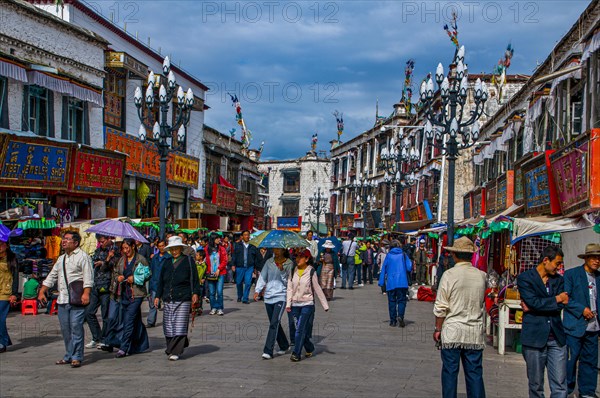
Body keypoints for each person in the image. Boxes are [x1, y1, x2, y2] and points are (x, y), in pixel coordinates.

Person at [433, 237, 486, 398]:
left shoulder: (449, 275)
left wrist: (438, 329)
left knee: (450, 372)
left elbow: (441, 307)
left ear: (455, 255)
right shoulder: (481, 276)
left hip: (452, 331)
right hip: (473, 332)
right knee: (474, 374)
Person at [518, 245, 568, 398]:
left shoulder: (558, 280)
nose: (559, 268)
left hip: (556, 338)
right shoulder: (525, 278)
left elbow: (560, 303)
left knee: (560, 385)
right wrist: (556, 299)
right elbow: (533, 302)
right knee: (536, 384)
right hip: (534, 338)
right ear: (546, 260)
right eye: (557, 263)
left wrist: (536, 306)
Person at [38, 231, 94, 368]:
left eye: (68, 239)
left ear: (75, 243)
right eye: (64, 239)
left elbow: (88, 278)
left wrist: (86, 294)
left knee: (76, 327)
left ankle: (77, 356)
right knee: (66, 329)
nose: (64, 241)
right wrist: (42, 290)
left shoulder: (83, 257)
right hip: (62, 299)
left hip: (77, 299)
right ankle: (69, 354)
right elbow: (52, 276)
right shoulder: (62, 258)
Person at [155, 236, 202, 361]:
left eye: (176, 249)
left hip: (183, 297)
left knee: (180, 324)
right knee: (168, 325)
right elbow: (161, 281)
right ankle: (171, 347)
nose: (174, 251)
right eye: (172, 249)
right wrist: (157, 296)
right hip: (168, 297)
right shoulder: (166, 262)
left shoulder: (188, 261)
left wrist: (195, 293)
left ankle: (176, 350)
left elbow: (194, 278)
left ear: (181, 248)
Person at [563, 243, 600, 398]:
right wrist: (582, 309)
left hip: (594, 328)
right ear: (586, 258)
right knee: (570, 361)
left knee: (590, 362)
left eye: (599, 258)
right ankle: (566, 390)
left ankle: (587, 392)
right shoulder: (572, 275)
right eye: (593, 257)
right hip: (575, 327)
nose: (596, 261)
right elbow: (565, 299)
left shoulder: (599, 278)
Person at [286, 249, 329, 362]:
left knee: (300, 329)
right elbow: (289, 288)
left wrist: (325, 305)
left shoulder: (311, 271)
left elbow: (317, 288)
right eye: (296, 257)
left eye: (301, 257)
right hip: (295, 304)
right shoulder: (292, 270)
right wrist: (288, 303)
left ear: (307, 259)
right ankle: (309, 347)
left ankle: (296, 353)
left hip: (307, 304)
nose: (298, 259)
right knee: (298, 329)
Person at [111, 238, 150, 358]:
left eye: (127, 248)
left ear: (133, 246)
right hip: (124, 293)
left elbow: (147, 274)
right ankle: (140, 345)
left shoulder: (140, 259)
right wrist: (118, 278)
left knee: (128, 320)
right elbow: (115, 273)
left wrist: (135, 278)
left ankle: (124, 347)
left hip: (136, 294)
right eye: (123, 248)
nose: (125, 250)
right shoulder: (121, 260)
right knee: (135, 321)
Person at [254, 247, 294, 359]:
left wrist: (282, 271)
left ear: (283, 250)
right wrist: (257, 290)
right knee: (274, 322)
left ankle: (268, 350)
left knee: (274, 323)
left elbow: (289, 282)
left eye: (278, 249)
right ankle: (284, 345)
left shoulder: (289, 263)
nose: (276, 251)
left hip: (281, 296)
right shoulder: (269, 262)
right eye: (275, 249)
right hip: (268, 296)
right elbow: (263, 276)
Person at [85, 234, 118, 349]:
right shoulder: (97, 251)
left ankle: (105, 339)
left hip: (107, 286)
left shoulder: (116, 251)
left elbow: (113, 266)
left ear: (109, 239)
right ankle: (96, 336)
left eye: (103, 241)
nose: (101, 243)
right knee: (89, 312)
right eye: (100, 241)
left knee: (105, 315)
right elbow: (94, 263)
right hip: (96, 285)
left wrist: (106, 260)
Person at [379, 240, 412, 327]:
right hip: (402, 282)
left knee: (392, 301)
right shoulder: (403, 254)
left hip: (391, 282)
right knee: (401, 300)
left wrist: (381, 281)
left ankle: (393, 321)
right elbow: (409, 267)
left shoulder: (389, 256)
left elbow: (384, 268)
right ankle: (400, 316)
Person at [0, 227, 18, 353]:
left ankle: (2, 342)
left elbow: (16, 277)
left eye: (1, 244)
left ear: (6, 245)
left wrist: (14, 294)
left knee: (0, 318)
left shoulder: (12, 258)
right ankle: (4, 340)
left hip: (5, 293)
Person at [147, 239, 171, 328]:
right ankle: (151, 321)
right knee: (153, 304)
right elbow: (151, 270)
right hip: (155, 283)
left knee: (167, 304)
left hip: (165, 284)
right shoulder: (154, 258)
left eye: (163, 246)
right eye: (160, 246)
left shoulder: (169, 258)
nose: (161, 248)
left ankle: (168, 321)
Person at [232, 230, 258, 304]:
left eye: (248, 235)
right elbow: (234, 255)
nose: (247, 236)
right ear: (242, 236)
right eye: (245, 235)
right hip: (240, 266)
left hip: (249, 267)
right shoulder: (237, 245)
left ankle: (245, 298)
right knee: (239, 282)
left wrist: (255, 267)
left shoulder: (252, 246)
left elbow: (255, 257)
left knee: (248, 282)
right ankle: (240, 296)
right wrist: (233, 264)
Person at [205, 234, 228, 316]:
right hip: (210, 273)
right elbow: (205, 260)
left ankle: (220, 308)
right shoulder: (207, 249)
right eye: (217, 238)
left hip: (220, 273)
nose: (219, 239)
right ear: (213, 239)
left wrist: (219, 269)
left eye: (219, 238)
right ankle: (213, 307)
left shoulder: (222, 249)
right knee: (211, 292)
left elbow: (225, 260)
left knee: (219, 291)